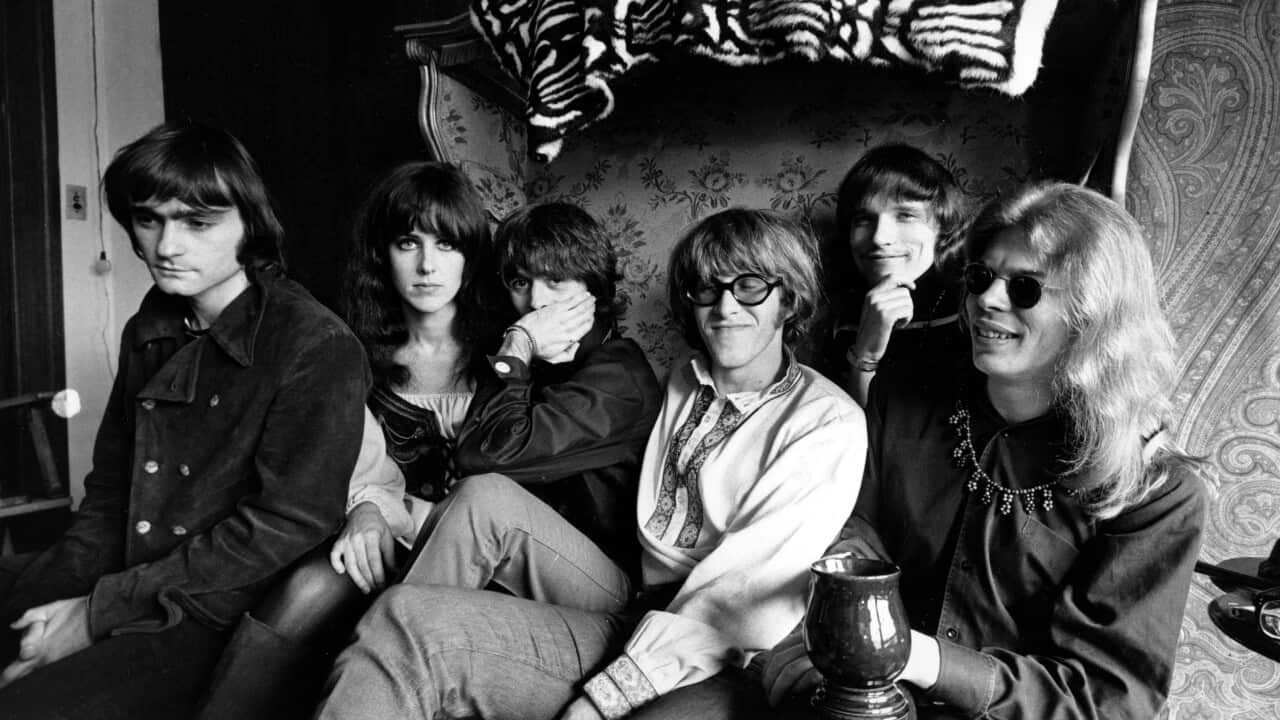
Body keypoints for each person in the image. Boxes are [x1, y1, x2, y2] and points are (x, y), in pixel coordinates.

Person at [313, 207, 866, 720]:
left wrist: (608, 697)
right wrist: (378, 504)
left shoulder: (824, 422)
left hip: (694, 642)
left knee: (405, 620)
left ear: (789, 300)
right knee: (478, 505)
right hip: (627, 594)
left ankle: (409, 656)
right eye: (707, 289)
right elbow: (485, 467)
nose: (725, 309)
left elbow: (738, 599)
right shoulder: (684, 377)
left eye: (750, 288)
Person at [200, 197, 664, 718]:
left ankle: (394, 651)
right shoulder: (543, 358)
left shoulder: (616, 378)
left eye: (557, 283)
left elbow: (484, 458)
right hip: (519, 553)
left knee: (483, 497)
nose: (535, 301)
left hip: (604, 589)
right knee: (322, 582)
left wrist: (518, 346)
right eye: (520, 283)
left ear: (596, 293)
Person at [759, 183, 1207, 719]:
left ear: (1093, 312)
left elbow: (1107, 696)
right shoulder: (901, 396)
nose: (987, 300)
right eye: (981, 278)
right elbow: (844, 538)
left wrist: (919, 658)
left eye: (1025, 288)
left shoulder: (1156, 492)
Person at [0, 122, 370, 719]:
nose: (167, 245)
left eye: (198, 223)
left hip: (218, 610)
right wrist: (42, 607)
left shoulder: (316, 344)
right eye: (149, 219)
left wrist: (94, 615)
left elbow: (278, 528)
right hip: (128, 575)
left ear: (249, 223)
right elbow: (108, 496)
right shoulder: (149, 327)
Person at [196, 161, 508, 719]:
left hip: (482, 554)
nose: (428, 265)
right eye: (408, 242)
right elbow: (339, 461)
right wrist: (366, 509)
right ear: (382, 255)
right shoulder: (347, 350)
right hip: (380, 536)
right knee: (312, 586)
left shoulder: (505, 353)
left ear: (472, 255)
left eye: (448, 244)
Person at [820, 143, 968, 405]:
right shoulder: (834, 314)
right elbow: (855, 436)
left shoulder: (972, 306)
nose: (879, 238)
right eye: (864, 219)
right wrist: (865, 351)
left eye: (905, 215)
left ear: (943, 226)